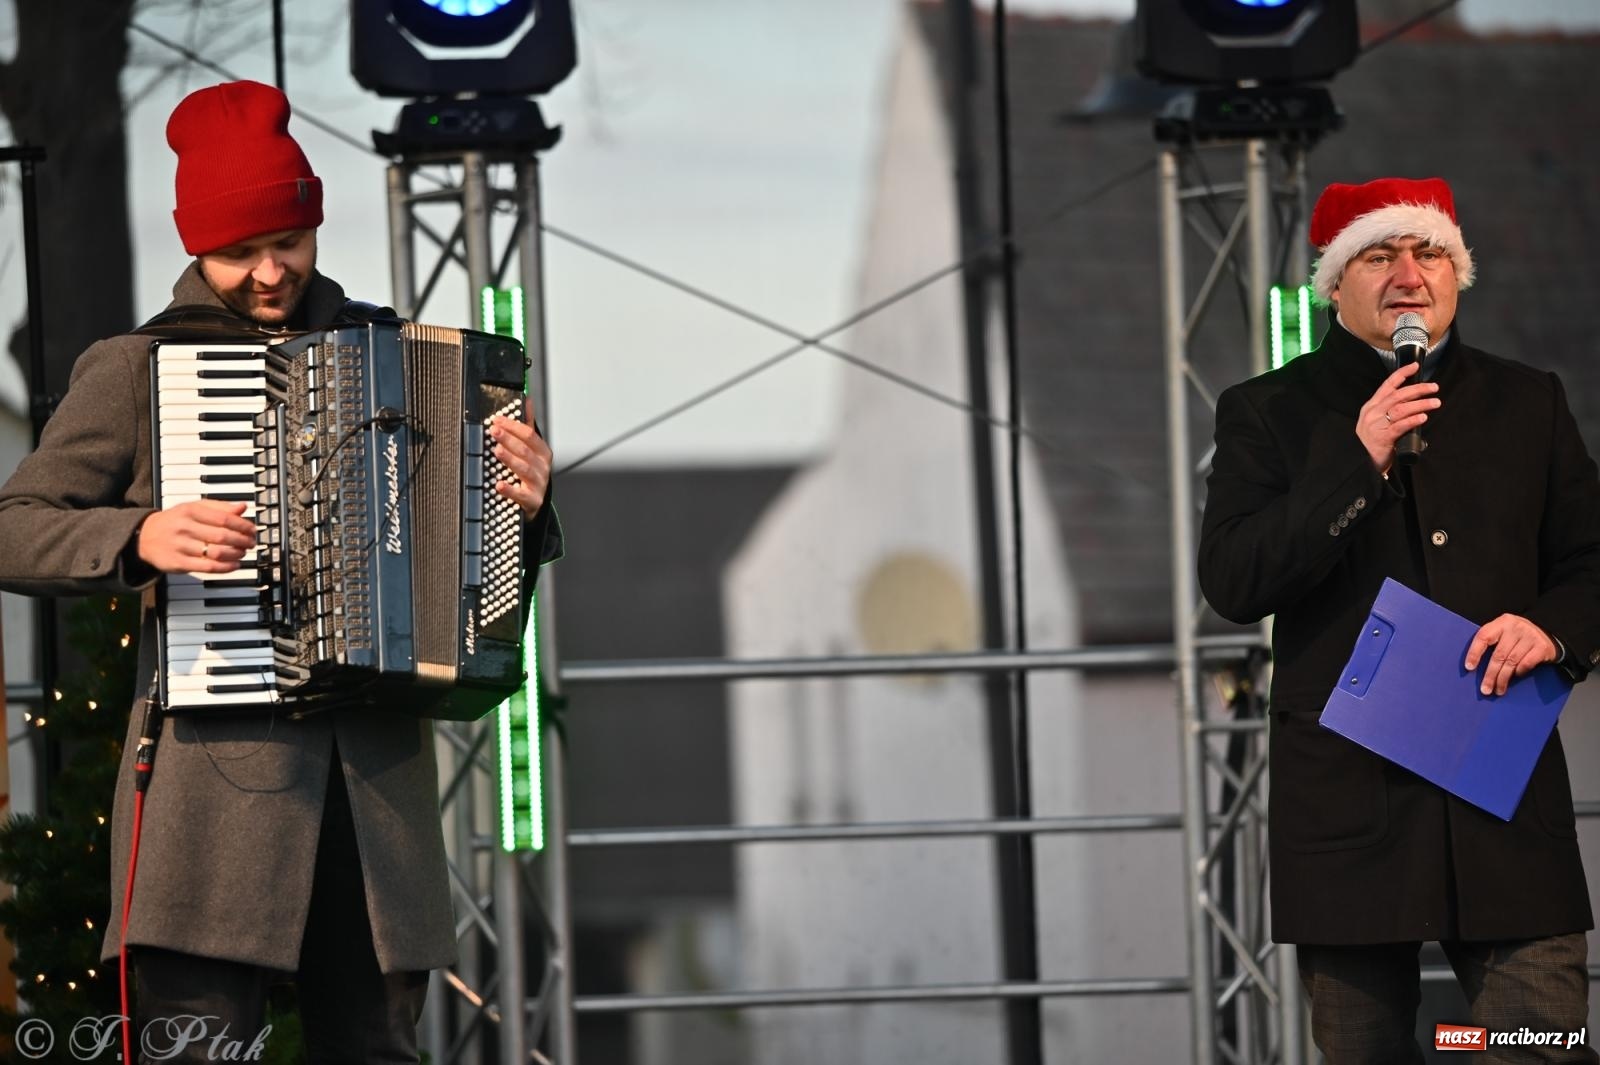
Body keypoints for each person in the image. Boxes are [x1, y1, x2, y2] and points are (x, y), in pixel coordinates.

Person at [0, 80, 562, 1062]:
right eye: (237, 252)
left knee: (377, 1049)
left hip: (372, 794)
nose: (268, 271)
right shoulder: (138, 369)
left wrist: (524, 506)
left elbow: (470, 561)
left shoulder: (399, 352)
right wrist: (139, 538)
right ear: (195, 247)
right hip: (212, 798)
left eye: (287, 244)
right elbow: (14, 526)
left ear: (314, 227)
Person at [1199, 176, 1600, 1063]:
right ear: (1332, 284)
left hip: (1500, 793)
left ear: (1459, 275)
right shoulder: (1269, 411)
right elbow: (1232, 578)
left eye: (1430, 253)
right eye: (1379, 255)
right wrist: (1357, 457)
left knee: (1548, 1042)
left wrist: (1554, 632)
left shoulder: (1528, 400)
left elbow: (1589, 562)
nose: (1408, 274)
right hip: (1349, 806)